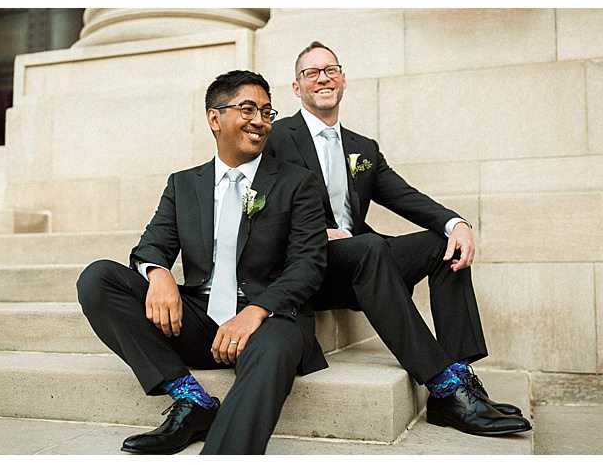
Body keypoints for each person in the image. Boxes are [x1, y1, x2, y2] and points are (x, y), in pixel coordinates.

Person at [263, 41, 531, 437]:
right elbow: (257, 202)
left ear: (343, 79)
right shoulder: (276, 137)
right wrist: (312, 232)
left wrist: (455, 223)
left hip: (362, 259)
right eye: (311, 72)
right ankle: (439, 383)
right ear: (296, 87)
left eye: (330, 69)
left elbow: (405, 197)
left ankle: (459, 380)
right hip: (310, 267)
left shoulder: (362, 147)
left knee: (442, 244)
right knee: (370, 246)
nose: (323, 77)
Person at [77, 69, 328, 454]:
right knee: (98, 279)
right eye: (248, 109)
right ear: (215, 118)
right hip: (201, 318)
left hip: (271, 318)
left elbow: (308, 264)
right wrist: (159, 275)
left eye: (267, 112)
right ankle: (191, 400)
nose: (260, 121)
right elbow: (151, 246)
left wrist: (256, 310)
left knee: (272, 348)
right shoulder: (184, 183)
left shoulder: (296, 181)